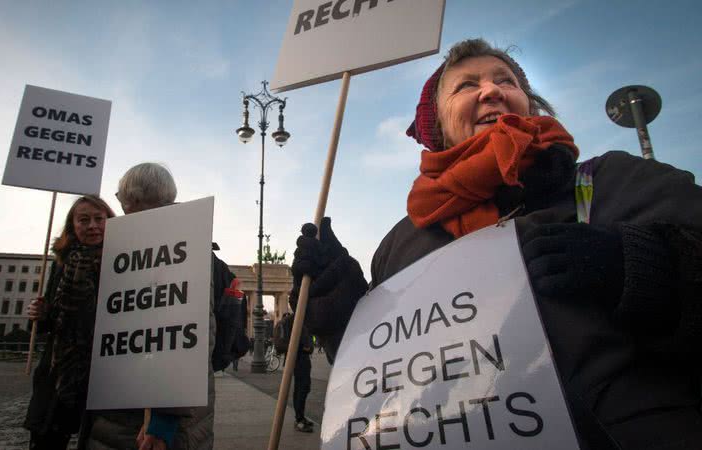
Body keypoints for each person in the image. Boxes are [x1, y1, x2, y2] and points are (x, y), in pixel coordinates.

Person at [291, 38, 702, 449]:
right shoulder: (402, 242)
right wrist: (339, 311)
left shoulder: (616, 181)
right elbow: (389, 383)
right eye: (466, 85)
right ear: (439, 125)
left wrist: (641, 266)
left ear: (528, 103)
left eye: (505, 81)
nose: (491, 91)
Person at [84, 163, 234, 450]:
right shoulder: (172, 239)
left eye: (122, 201)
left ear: (134, 200)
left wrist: (162, 421)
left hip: (152, 424)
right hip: (134, 410)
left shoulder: (175, 241)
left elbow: (184, 340)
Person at [23, 195, 116, 449]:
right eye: (83, 220)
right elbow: (52, 319)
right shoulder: (62, 262)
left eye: (99, 219)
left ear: (111, 221)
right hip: (60, 366)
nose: (92, 226)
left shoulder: (122, 261)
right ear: (72, 225)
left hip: (102, 366)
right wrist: (40, 314)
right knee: (47, 439)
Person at [292, 323, 314, 433]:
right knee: (302, 389)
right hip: (300, 361)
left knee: (301, 388)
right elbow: (304, 346)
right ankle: (299, 419)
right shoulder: (298, 322)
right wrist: (307, 348)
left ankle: (300, 417)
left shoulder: (300, 322)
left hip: (301, 360)